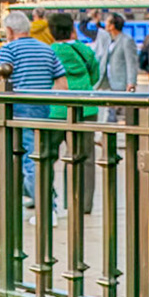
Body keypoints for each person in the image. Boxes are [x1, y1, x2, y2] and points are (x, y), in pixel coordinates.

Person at [0, 10, 67, 208]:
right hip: (44, 110)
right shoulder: (47, 49)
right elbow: (62, 82)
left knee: (27, 160)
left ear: (10, 31)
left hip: (18, 110)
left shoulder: (8, 50)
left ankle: (46, 206)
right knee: (39, 156)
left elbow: (1, 81)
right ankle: (37, 197)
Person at [46, 13, 101, 215]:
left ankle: (47, 199)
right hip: (85, 107)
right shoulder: (84, 50)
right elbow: (95, 73)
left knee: (48, 156)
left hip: (55, 109)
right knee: (84, 157)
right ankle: (81, 203)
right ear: (72, 29)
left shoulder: (49, 52)